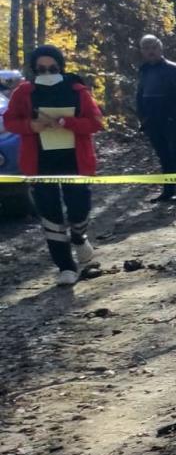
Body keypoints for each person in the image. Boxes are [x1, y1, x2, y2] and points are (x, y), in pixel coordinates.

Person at [1, 45, 104, 286]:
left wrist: (68, 122)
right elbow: (10, 121)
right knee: (50, 214)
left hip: (75, 160)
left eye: (52, 68)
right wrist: (30, 126)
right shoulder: (23, 92)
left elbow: (96, 122)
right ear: (34, 69)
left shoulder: (77, 90)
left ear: (61, 67)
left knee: (79, 207)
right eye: (41, 68)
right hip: (40, 162)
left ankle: (79, 237)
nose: (47, 72)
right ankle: (65, 266)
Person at [136, 35, 176, 203]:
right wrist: (142, 117)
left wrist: (173, 117)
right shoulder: (144, 70)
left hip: (172, 121)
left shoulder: (175, 69)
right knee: (163, 156)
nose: (150, 51)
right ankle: (169, 189)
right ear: (142, 51)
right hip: (152, 121)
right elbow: (140, 95)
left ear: (160, 48)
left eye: (153, 47)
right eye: (146, 48)